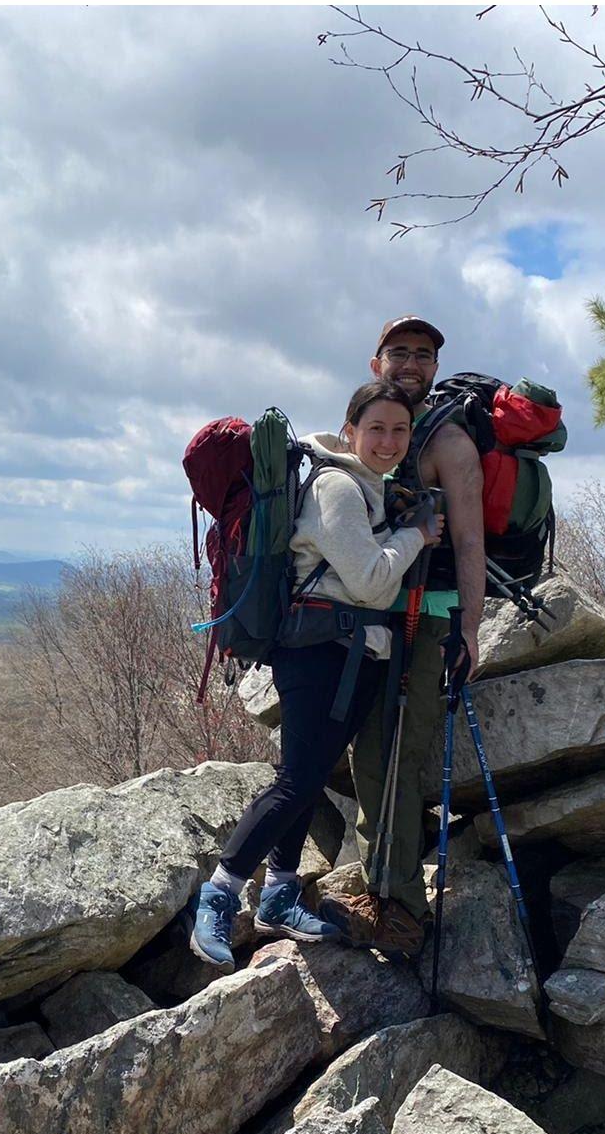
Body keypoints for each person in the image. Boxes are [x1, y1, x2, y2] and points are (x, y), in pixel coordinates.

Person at [188, 380, 445, 969]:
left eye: (399, 430)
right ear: (350, 430)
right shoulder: (336, 487)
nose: (388, 440)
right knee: (294, 780)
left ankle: (279, 892)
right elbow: (373, 581)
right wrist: (416, 534)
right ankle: (219, 896)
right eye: (375, 428)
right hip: (322, 653)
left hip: (349, 653)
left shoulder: (369, 487)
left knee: (308, 775)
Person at [337, 314, 486, 954]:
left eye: (423, 355)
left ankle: (399, 911)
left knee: (394, 756)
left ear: (435, 367)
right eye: (399, 352)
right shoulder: (381, 428)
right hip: (373, 608)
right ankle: (381, 888)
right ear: (377, 363)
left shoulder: (449, 442)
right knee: (366, 754)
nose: (411, 364)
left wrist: (469, 628)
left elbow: (471, 539)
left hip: (427, 616)